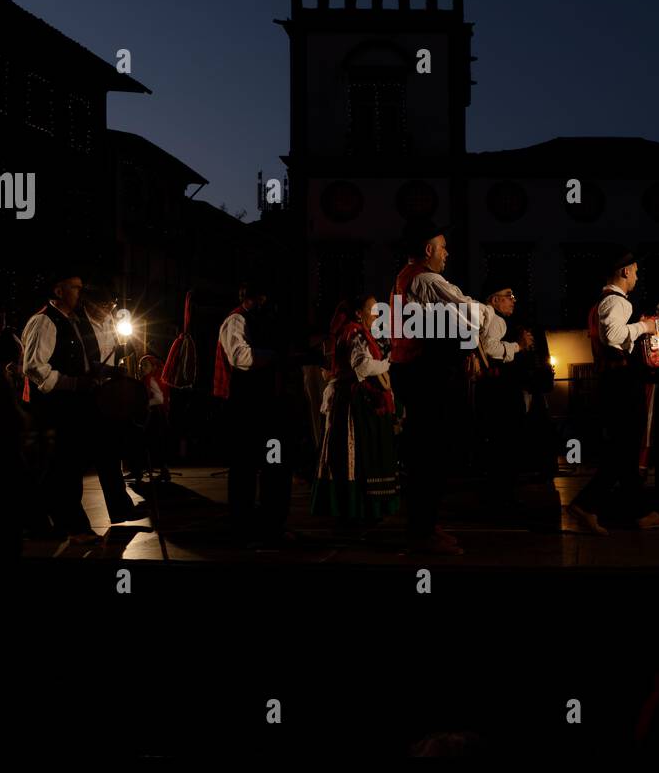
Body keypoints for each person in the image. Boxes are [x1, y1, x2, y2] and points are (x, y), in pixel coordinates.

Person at [389, 219, 499, 556]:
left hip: (414, 372)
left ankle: (425, 525)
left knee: (428, 453)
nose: (447, 253)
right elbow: (472, 315)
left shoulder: (406, 280)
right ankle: (422, 532)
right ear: (428, 250)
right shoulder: (424, 279)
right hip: (423, 375)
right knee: (430, 454)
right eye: (443, 246)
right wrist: (488, 309)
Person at [21, 270, 144, 543]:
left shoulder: (71, 320)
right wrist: (73, 384)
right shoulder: (44, 321)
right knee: (62, 468)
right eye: (74, 288)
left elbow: (81, 363)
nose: (80, 293)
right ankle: (70, 526)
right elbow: (34, 368)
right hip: (55, 409)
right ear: (58, 291)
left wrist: (104, 372)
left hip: (73, 407)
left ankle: (54, 523)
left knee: (65, 468)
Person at [565, 253, 659, 534]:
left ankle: (637, 512)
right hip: (621, 383)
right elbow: (613, 336)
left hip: (615, 381)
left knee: (624, 451)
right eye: (635, 271)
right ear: (624, 271)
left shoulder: (606, 301)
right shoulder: (616, 301)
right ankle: (586, 505)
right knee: (623, 450)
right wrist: (645, 327)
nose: (636, 277)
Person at [213, 279, 293, 544]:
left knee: (274, 464)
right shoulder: (236, 321)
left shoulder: (262, 321)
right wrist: (274, 355)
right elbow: (240, 357)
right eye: (259, 299)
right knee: (244, 468)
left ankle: (272, 522)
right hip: (245, 407)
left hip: (268, 408)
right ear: (249, 298)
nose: (263, 304)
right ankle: (242, 523)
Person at [312, 293, 401, 524]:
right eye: (372, 309)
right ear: (358, 313)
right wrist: (388, 362)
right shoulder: (355, 332)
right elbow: (361, 364)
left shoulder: (356, 332)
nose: (376, 314)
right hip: (354, 401)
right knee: (357, 454)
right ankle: (357, 509)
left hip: (352, 398)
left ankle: (357, 509)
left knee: (356, 455)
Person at [474, 278, 535, 485]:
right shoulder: (495, 319)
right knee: (506, 442)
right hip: (501, 391)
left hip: (496, 389)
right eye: (509, 296)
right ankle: (503, 493)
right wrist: (518, 345)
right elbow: (490, 348)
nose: (513, 301)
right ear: (494, 300)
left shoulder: (493, 319)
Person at [136, 354, 172, 484]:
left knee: (153, 444)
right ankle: (143, 471)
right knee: (153, 445)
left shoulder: (151, 379)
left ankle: (144, 471)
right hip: (154, 416)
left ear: (153, 367)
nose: (141, 367)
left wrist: (144, 404)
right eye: (141, 365)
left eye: (145, 365)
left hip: (155, 416)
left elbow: (159, 399)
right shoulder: (148, 379)